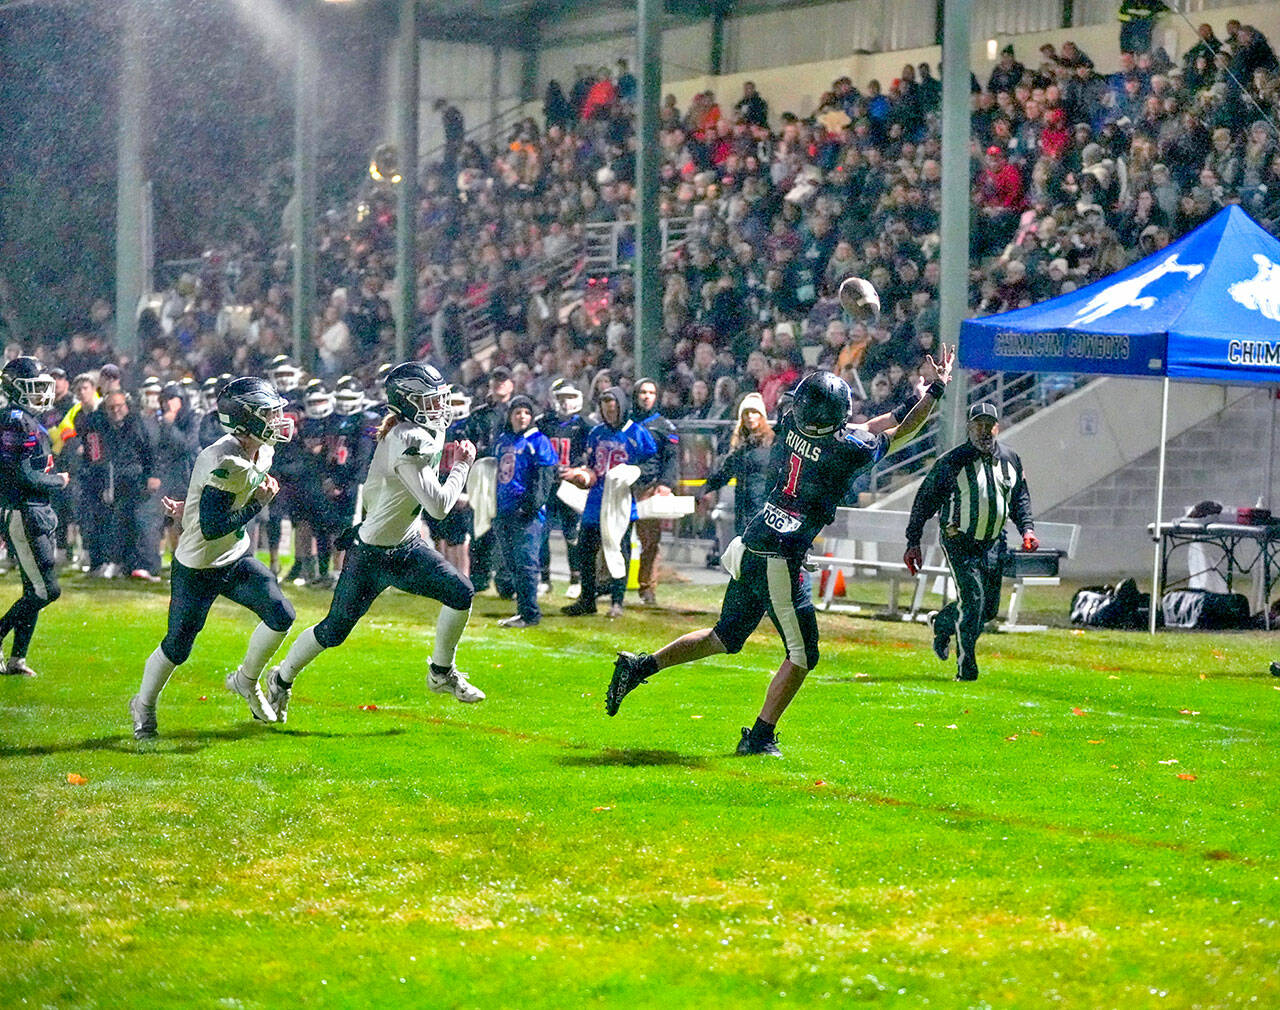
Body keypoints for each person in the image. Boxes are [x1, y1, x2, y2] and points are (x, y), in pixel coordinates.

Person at [607, 352, 954, 757]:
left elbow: (866, 426)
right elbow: (901, 432)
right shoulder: (843, 450)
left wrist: (916, 399)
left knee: (724, 636)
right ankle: (759, 737)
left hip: (755, 538)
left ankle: (640, 666)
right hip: (781, 554)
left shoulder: (790, 424)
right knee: (804, 653)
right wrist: (936, 394)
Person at [261, 362, 485, 723]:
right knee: (333, 631)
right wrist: (462, 466)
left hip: (406, 545)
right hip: (372, 556)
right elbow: (440, 507)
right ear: (408, 403)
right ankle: (281, 678)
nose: (440, 407)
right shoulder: (404, 439)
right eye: (431, 400)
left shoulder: (423, 430)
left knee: (461, 592)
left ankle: (441, 673)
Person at [130, 377, 298, 740]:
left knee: (281, 614)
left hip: (234, 555)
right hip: (199, 565)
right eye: (268, 413)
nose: (277, 419)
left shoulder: (262, 449)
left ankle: (246, 681)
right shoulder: (225, 460)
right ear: (244, 421)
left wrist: (186, 511)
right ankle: (143, 704)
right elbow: (212, 526)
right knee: (177, 646)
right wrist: (258, 504)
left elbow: (209, 509)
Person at [903, 402, 1038, 683]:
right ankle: (967, 670)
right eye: (978, 425)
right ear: (969, 427)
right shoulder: (952, 462)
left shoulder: (1011, 459)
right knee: (973, 601)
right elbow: (924, 501)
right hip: (959, 540)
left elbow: (1020, 499)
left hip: (993, 542)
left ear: (997, 427)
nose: (984, 431)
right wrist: (913, 541)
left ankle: (941, 623)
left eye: (989, 425)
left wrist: (1027, 529)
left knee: (987, 610)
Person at [561, 386, 657, 619]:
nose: (610, 414)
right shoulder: (596, 433)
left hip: (621, 501)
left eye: (613, 410)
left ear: (622, 408)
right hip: (596, 500)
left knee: (618, 551)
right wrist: (581, 475)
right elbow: (592, 465)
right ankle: (587, 599)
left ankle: (617, 601)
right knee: (585, 550)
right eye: (606, 410)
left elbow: (652, 463)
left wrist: (634, 472)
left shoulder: (636, 433)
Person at [0, 358, 69, 676]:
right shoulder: (15, 420)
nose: (42, 393)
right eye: (34, 387)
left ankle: (17, 658)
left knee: (34, 591)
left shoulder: (26, 418)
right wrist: (58, 480)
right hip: (23, 509)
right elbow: (22, 474)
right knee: (46, 590)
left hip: (36, 510)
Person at [491, 396, 558, 628]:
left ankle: (530, 614)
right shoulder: (502, 441)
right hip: (503, 511)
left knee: (526, 562)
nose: (522, 417)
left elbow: (545, 477)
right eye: (517, 412)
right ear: (510, 415)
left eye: (526, 413)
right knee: (512, 564)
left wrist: (530, 505)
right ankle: (522, 611)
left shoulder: (538, 441)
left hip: (526, 514)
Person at [701, 392, 775, 562]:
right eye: (746, 413)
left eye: (754, 412)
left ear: (762, 416)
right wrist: (702, 490)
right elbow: (724, 474)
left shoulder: (773, 443)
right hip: (743, 511)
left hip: (763, 511)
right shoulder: (740, 447)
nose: (750, 416)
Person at [537, 379, 590, 597]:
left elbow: (594, 454)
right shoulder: (543, 423)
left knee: (572, 534)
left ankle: (576, 578)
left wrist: (580, 471)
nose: (565, 403)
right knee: (542, 533)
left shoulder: (587, 426)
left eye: (570, 397)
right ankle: (545, 578)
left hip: (572, 485)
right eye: (561, 398)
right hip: (548, 486)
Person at [631, 378, 680, 606]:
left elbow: (671, 459)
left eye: (651, 392)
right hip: (623, 486)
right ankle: (607, 585)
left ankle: (647, 588)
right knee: (614, 537)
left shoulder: (664, 426)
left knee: (650, 541)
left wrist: (666, 484)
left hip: (649, 487)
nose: (646, 396)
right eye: (642, 392)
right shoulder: (625, 422)